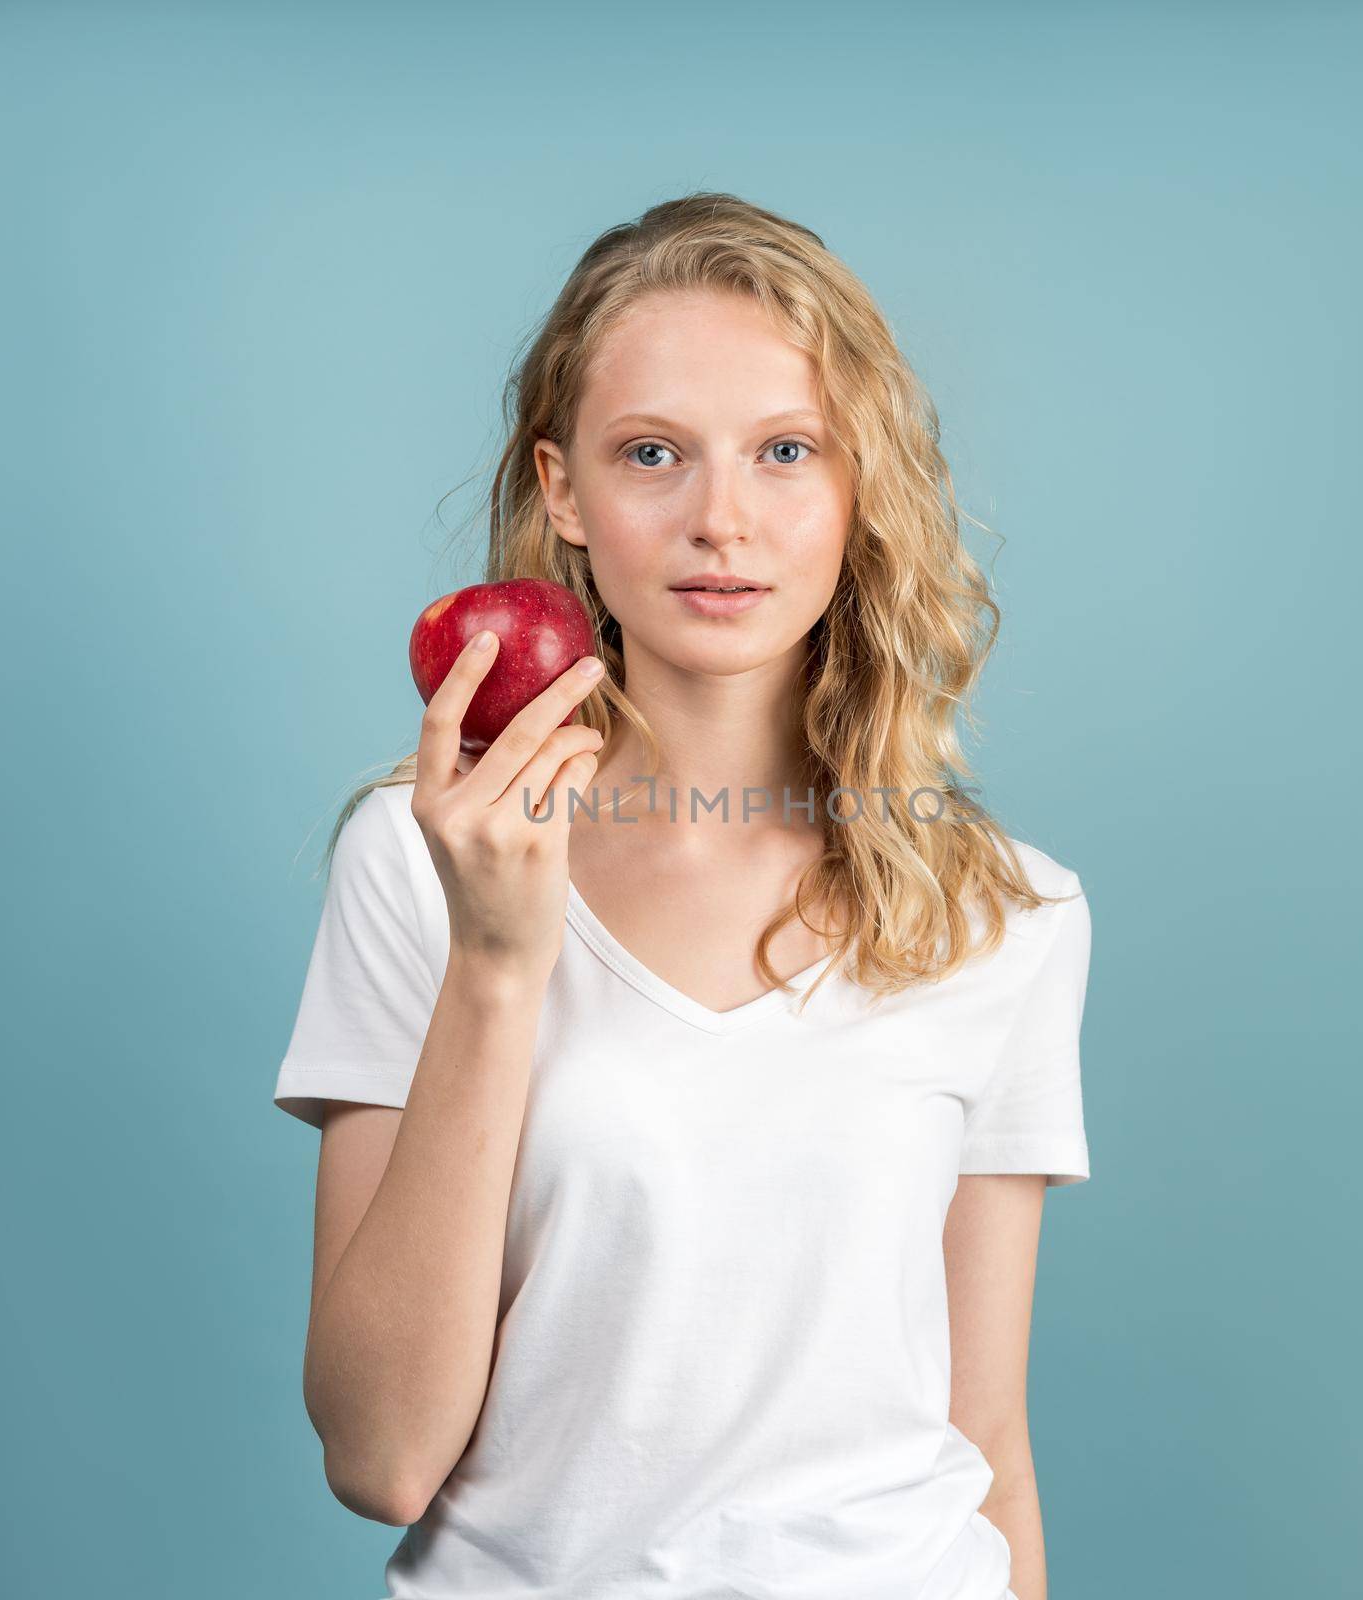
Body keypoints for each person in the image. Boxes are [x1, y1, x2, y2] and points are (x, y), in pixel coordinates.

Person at [274, 192, 1092, 1600]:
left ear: (856, 491)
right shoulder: (419, 856)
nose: (722, 518)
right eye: (653, 453)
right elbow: (381, 1457)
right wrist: (497, 963)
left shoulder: (1005, 915)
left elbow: (986, 1436)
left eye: (786, 452)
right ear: (566, 492)